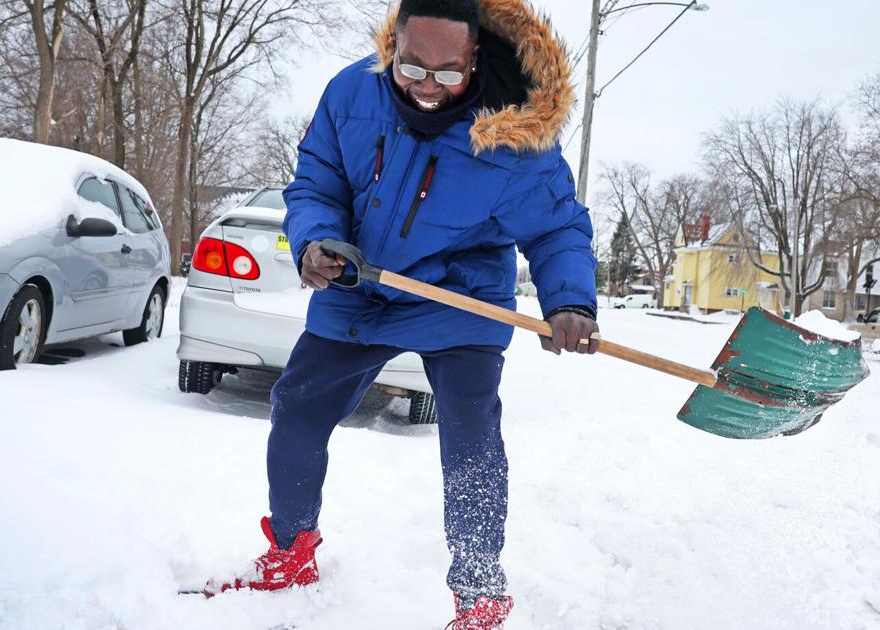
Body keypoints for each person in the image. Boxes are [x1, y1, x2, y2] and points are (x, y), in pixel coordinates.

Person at [205, 0, 597, 626]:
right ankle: (291, 550)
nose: (427, 87)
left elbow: (556, 230)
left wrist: (570, 302)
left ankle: (479, 591)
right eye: (412, 68)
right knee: (298, 405)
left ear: (475, 58)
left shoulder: (518, 136)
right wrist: (317, 241)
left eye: (448, 73)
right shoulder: (353, 93)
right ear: (394, 47)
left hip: (460, 297)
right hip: (361, 281)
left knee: (471, 435)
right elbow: (318, 181)